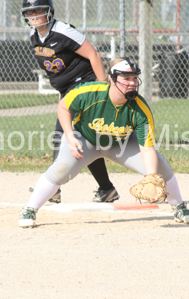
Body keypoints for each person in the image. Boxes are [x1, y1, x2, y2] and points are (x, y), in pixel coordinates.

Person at [18, 57, 189, 228]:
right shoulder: (90, 92)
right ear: (112, 80)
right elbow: (64, 107)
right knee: (61, 169)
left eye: (134, 78)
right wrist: (70, 136)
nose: (132, 83)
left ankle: (179, 207)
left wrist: (151, 176)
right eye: (126, 78)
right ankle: (30, 209)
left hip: (120, 144)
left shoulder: (140, 109)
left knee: (161, 168)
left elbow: (147, 149)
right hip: (86, 139)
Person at [21, 0, 119, 204]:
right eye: (30, 12)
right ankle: (106, 188)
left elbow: (93, 54)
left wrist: (102, 89)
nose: (35, 15)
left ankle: (53, 188)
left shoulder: (63, 31)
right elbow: (56, 71)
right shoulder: (34, 36)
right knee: (85, 139)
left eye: (39, 10)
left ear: (49, 11)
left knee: (61, 134)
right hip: (68, 90)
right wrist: (62, 95)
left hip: (84, 84)